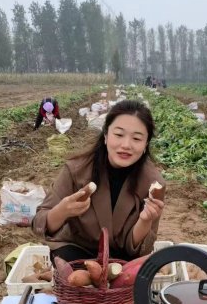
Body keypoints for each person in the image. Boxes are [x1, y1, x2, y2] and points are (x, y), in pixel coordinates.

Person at [32, 99, 165, 262]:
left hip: (122, 259)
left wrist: (145, 221)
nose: (126, 145)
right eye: (119, 135)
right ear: (106, 136)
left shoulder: (153, 184)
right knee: (68, 264)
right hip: (77, 252)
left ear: (146, 145)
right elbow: (39, 222)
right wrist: (62, 210)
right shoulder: (76, 170)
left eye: (137, 139)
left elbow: (139, 250)